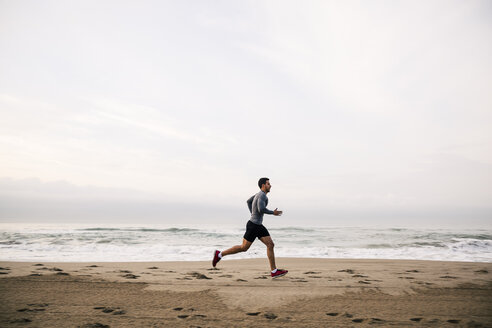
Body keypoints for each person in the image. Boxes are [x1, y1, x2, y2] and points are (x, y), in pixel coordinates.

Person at [212, 177, 288, 278]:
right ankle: (220, 254)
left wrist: (253, 213)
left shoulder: (258, 195)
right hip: (253, 226)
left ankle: (274, 271)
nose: (270, 185)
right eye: (268, 184)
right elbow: (261, 209)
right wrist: (272, 212)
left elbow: (248, 201)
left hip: (258, 225)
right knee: (243, 248)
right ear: (263, 185)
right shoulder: (262, 196)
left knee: (270, 244)